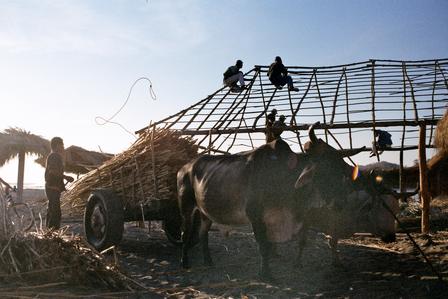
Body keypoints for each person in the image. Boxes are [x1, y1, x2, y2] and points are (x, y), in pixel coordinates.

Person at [45, 137, 74, 229]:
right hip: (52, 187)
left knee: (51, 210)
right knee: (56, 212)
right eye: (62, 144)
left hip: (51, 187)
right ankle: (53, 232)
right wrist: (66, 177)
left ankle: (48, 231)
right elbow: (52, 171)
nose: (63, 146)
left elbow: (54, 171)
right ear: (57, 145)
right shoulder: (55, 156)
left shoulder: (53, 156)